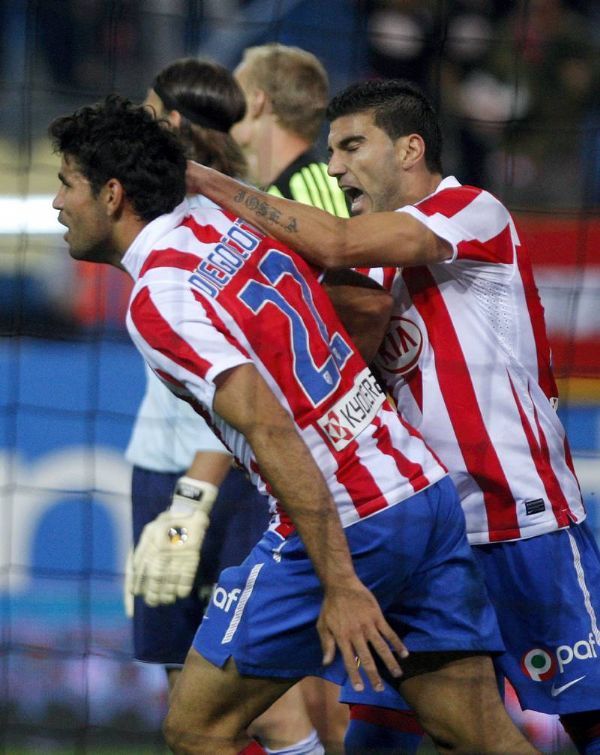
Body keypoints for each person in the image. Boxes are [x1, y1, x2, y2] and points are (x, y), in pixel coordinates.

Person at [49, 94, 537, 755]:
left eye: (66, 183)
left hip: (350, 517)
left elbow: (274, 431)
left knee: (195, 724)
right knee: (477, 732)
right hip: (419, 488)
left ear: (111, 194)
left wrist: (339, 583)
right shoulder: (219, 215)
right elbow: (364, 301)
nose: (56, 203)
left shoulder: (158, 297)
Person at [185, 78, 600, 755]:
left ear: (411, 148)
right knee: (383, 737)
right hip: (429, 534)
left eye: (351, 146)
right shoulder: (367, 277)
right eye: (330, 151)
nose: (336, 166)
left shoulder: (472, 210)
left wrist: (203, 181)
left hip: (525, 520)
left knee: (590, 721)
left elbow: (341, 242)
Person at [125, 57, 324, 754]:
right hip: (162, 465)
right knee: (190, 695)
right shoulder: (173, 212)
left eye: (147, 111)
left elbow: (249, 382)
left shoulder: (226, 215)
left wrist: (192, 497)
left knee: (261, 694)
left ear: (171, 122)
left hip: (224, 478)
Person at [231, 42, 351, 748]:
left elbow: (356, 311)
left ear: (257, 102)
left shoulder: (306, 193)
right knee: (309, 665)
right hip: (305, 460)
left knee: (336, 667)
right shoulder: (294, 192)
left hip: (335, 462)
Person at [231, 43, 348, 217]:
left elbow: (336, 244)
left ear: (257, 102)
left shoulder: (310, 189)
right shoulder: (273, 193)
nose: (224, 105)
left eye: (234, 93)